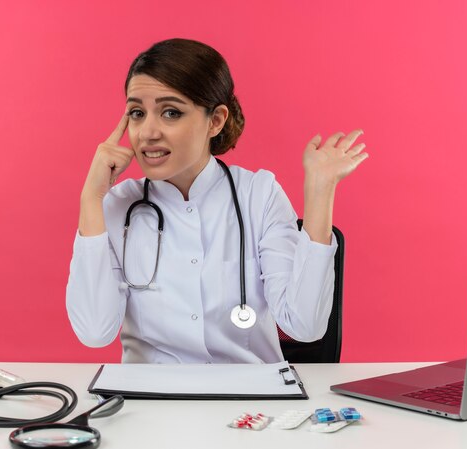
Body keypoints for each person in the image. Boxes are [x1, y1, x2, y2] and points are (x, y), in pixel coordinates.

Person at [66, 38, 368, 363]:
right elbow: (95, 333)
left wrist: (321, 190)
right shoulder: (117, 206)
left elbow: (305, 326)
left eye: (170, 112)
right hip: (152, 402)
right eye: (137, 113)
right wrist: (90, 200)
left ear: (216, 120)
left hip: (249, 403)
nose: (147, 132)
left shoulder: (259, 195)